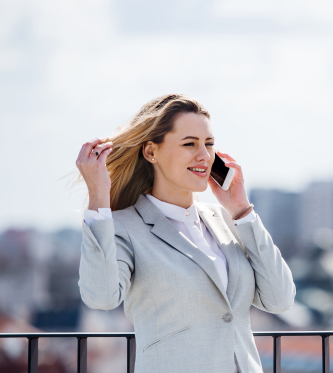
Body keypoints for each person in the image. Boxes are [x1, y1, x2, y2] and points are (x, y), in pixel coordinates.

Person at [75, 93, 296, 373]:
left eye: (209, 144)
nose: (204, 155)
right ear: (151, 152)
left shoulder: (227, 221)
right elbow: (101, 297)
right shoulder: (123, 226)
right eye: (190, 144)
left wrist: (241, 210)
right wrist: (98, 196)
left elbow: (280, 298)